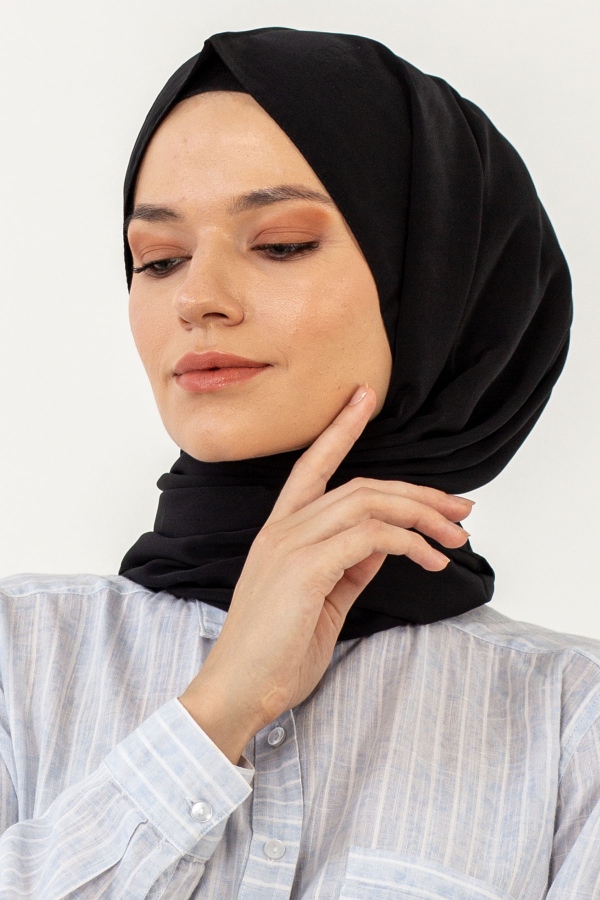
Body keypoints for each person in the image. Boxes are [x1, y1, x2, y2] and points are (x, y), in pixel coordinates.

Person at [0, 25, 597, 899]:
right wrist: (218, 710)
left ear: (435, 280)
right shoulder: (18, 658)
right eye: (160, 259)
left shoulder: (571, 722)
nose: (197, 298)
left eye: (280, 244)